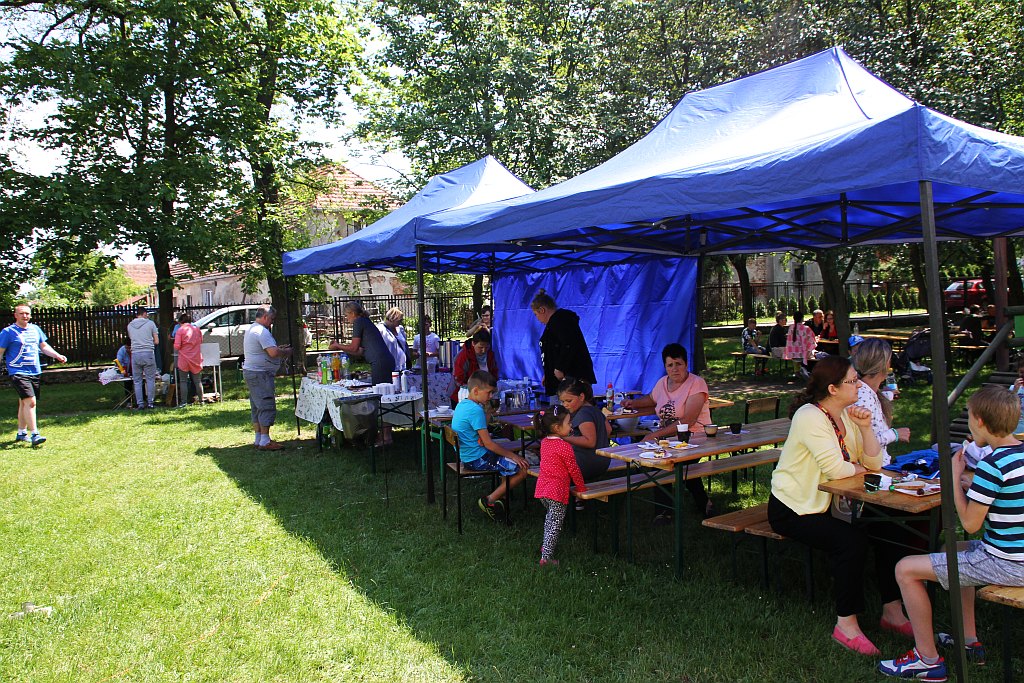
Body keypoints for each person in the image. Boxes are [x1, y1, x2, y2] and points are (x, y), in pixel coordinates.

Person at [878, 386, 1024, 680]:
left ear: (979, 422)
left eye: (970, 417)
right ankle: (969, 641)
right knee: (949, 550)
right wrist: (975, 489)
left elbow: (970, 524)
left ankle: (927, 660)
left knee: (905, 569)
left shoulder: (991, 466)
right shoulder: (1018, 454)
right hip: (1016, 554)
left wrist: (956, 480)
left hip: (1008, 562)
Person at [768, 356, 884, 656]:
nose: (859, 385)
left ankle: (893, 610)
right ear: (833, 388)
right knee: (851, 542)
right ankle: (846, 625)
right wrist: (858, 468)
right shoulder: (809, 416)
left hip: (825, 505)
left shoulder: (845, 415)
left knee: (884, 525)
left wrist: (866, 428)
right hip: (792, 508)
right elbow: (836, 469)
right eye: (853, 381)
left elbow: (875, 463)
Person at [623, 343, 715, 521]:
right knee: (680, 467)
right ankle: (703, 504)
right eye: (670, 365)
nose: (674, 369)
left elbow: (687, 421)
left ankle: (665, 512)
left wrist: (654, 435)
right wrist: (632, 403)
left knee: (668, 464)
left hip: (694, 438)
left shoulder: (696, 384)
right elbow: (651, 398)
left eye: (678, 364)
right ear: (665, 367)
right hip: (668, 439)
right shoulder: (662, 383)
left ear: (686, 364)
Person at [450, 370, 528, 521]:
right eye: (489, 392)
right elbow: (489, 444)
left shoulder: (463, 405)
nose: (491, 396)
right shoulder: (475, 410)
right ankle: (489, 500)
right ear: (476, 390)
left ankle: (501, 502)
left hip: (468, 456)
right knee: (522, 469)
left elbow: (481, 430)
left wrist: (488, 412)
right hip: (478, 459)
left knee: (507, 461)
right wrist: (514, 456)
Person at [0, 304, 67, 446]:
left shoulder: (35, 329)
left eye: (27, 313)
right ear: (15, 315)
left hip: (34, 371)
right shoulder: (8, 332)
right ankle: (35, 434)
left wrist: (57, 355)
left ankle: (21, 432)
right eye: (22, 313)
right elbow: (0, 351)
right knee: (31, 402)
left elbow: (43, 346)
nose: (25, 316)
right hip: (18, 372)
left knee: (23, 402)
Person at [533, 409, 587, 565]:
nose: (571, 426)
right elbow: (574, 469)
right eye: (569, 423)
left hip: (543, 489)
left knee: (549, 521)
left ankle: (546, 547)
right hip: (556, 491)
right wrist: (581, 488)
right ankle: (546, 558)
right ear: (557, 428)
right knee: (555, 524)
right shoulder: (564, 447)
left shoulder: (544, 443)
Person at [853, 338, 910, 467]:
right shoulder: (862, 397)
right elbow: (861, 444)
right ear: (885, 365)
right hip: (871, 471)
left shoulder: (864, 391)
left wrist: (887, 395)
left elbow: (872, 400)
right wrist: (895, 434)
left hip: (877, 467)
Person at [242, 304, 291, 451]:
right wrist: (286, 351)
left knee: (256, 406)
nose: (272, 322)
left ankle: (259, 438)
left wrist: (278, 349)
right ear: (264, 317)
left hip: (252, 372)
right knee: (266, 404)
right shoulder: (261, 332)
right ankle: (265, 440)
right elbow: (273, 353)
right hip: (260, 374)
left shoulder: (252, 329)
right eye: (271, 319)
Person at [530, 290, 595, 397]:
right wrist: (548, 372)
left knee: (565, 410)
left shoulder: (561, 321)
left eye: (536, 314)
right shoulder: (553, 325)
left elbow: (569, 344)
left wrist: (560, 368)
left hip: (570, 380)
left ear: (542, 310)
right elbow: (554, 350)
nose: (537, 319)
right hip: (559, 381)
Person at [557, 377, 611, 482]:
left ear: (581, 397)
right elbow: (608, 430)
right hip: (603, 462)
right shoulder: (595, 410)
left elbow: (590, 442)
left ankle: (554, 495)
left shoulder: (583, 414)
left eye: (569, 401)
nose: (565, 405)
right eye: (562, 401)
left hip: (585, 464)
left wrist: (564, 437)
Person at [332, 302, 395, 385]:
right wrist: (340, 348)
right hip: (383, 361)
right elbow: (359, 351)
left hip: (380, 362)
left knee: (379, 393)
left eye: (347, 315)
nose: (347, 318)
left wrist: (337, 345)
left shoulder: (358, 322)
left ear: (353, 313)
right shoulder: (364, 321)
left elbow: (354, 347)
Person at [452, 329, 499, 403]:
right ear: (473, 343)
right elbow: (458, 379)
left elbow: (494, 373)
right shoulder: (463, 356)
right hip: (464, 396)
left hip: (484, 396)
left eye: (486, 347)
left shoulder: (490, 355)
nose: (484, 350)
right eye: (480, 347)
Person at [127, 305, 160, 410]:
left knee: (137, 380)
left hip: (135, 353)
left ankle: (140, 404)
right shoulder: (150, 324)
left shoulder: (130, 325)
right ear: (144, 314)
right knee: (150, 379)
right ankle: (150, 403)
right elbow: (156, 341)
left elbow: (131, 338)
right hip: (148, 353)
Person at [173, 313, 204, 406]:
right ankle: (201, 401)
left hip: (184, 358)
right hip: (196, 357)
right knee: (197, 380)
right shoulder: (196, 329)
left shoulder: (180, 330)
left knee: (183, 380)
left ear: (181, 321)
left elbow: (177, 346)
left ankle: (183, 402)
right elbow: (201, 341)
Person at [784, 311, 817, 379]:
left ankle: (798, 372)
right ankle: (807, 371)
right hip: (803, 355)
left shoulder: (791, 328)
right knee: (815, 354)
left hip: (793, 354)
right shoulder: (806, 328)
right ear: (802, 318)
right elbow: (812, 340)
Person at [377, 307, 408, 371]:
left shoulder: (400, 329)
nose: (401, 322)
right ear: (392, 318)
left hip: (403, 366)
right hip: (389, 366)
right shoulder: (381, 329)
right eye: (399, 320)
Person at [115, 338, 135, 406]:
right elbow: (118, 362)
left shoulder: (137, 350)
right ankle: (129, 401)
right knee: (127, 384)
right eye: (126, 348)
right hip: (127, 370)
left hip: (137, 370)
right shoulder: (122, 350)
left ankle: (143, 399)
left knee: (142, 384)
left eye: (130, 348)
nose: (128, 350)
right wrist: (122, 370)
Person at [1010, 355, 1024, 436]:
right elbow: (1007, 405)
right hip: (1015, 430)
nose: (1022, 375)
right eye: (1021, 372)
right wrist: (1014, 391)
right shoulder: (1013, 388)